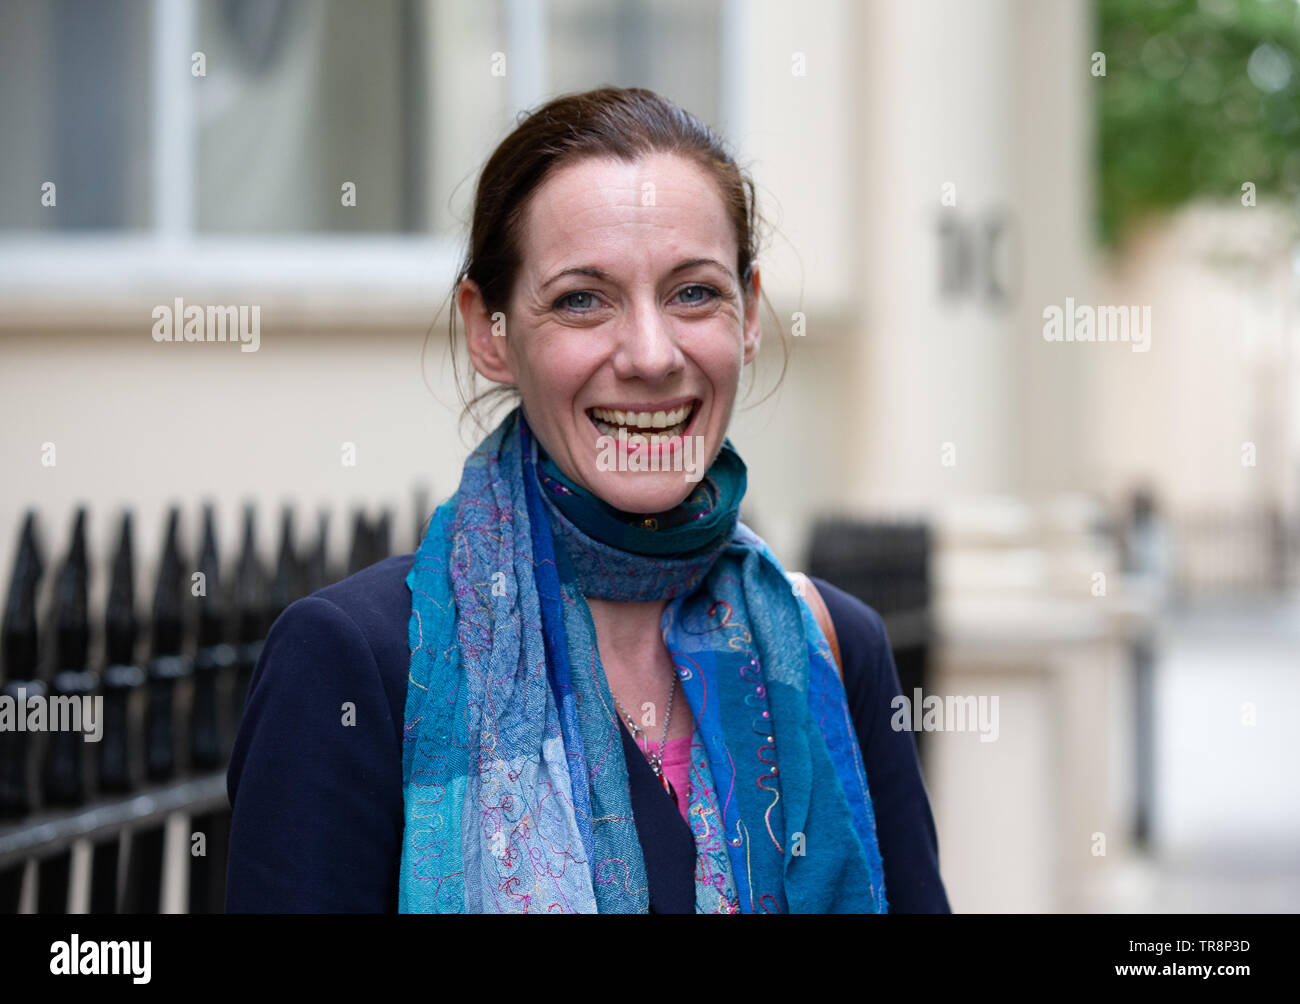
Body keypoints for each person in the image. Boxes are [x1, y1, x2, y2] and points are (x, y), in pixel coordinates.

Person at [225, 86, 949, 914]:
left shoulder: (835, 647)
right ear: (490, 330)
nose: (649, 354)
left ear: (749, 314)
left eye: (693, 293)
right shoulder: (354, 663)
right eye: (581, 299)